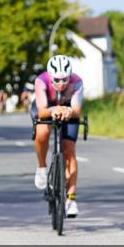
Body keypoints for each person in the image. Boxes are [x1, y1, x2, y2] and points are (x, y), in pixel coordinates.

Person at [32, 56, 84, 218]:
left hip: (68, 109)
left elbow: (77, 110)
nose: (61, 83)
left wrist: (70, 111)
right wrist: (53, 110)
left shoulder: (77, 82)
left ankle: (71, 199)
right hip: (46, 107)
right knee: (42, 132)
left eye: (65, 79)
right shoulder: (41, 81)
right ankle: (41, 167)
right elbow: (42, 111)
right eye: (57, 80)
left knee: (69, 149)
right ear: (50, 76)